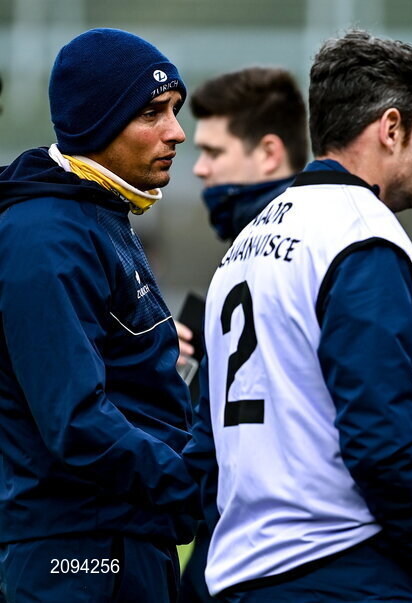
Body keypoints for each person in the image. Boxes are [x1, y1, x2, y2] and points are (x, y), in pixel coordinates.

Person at [189, 30, 412, 601]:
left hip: (243, 572)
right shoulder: (360, 237)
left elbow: (207, 442)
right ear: (390, 129)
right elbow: (378, 439)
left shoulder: (243, 247)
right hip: (345, 569)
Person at [0, 28, 198, 602]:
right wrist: (189, 484)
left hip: (122, 537)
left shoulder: (96, 214)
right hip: (78, 556)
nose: (176, 132)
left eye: (175, 110)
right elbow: (76, 419)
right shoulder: (46, 236)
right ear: (97, 120)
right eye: (153, 113)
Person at [177, 66, 309, 603]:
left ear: (269, 153)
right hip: (232, 552)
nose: (201, 170)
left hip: (265, 562)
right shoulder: (247, 252)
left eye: (214, 152)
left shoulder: (307, 257)